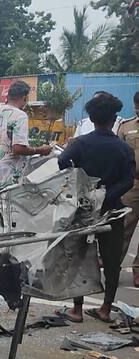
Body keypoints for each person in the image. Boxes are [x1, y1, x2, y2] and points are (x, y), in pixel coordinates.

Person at [56, 93, 135, 323]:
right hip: (112, 210)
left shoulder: (80, 144)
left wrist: (88, 192)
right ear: (114, 119)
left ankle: (77, 310)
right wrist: (106, 196)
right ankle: (105, 309)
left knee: (79, 259)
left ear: (91, 118)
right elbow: (128, 181)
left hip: (83, 211)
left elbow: (63, 164)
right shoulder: (123, 149)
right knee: (111, 262)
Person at [0, 80, 52, 194]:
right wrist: (40, 150)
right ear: (24, 97)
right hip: (8, 181)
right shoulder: (20, 116)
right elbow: (18, 148)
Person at [118, 91, 139, 288]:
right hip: (132, 185)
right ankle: (112, 266)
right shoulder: (126, 126)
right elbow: (118, 154)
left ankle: (138, 271)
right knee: (123, 228)